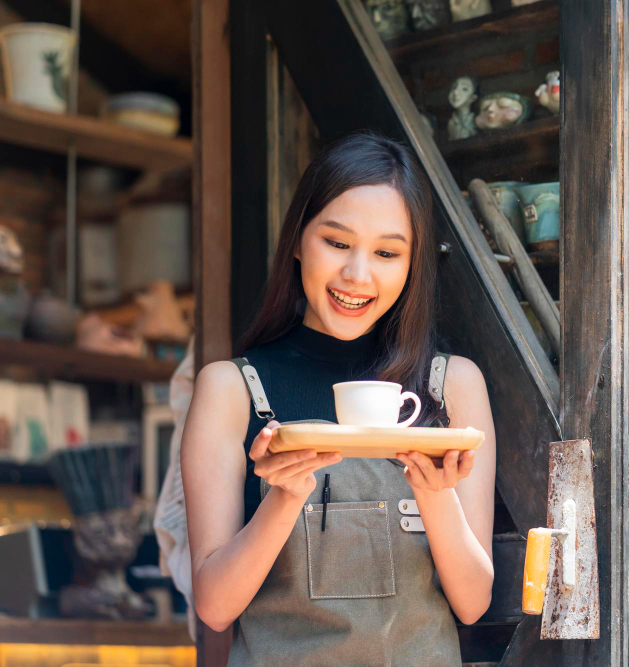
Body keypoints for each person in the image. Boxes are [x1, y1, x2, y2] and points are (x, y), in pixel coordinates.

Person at [181, 132, 497, 666]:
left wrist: (435, 493)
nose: (357, 274)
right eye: (337, 242)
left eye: (386, 252)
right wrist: (282, 496)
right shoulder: (232, 389)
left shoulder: (452, 387)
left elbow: (472, 603)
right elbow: (213, 607)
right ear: (299, 240)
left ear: (412, 263)